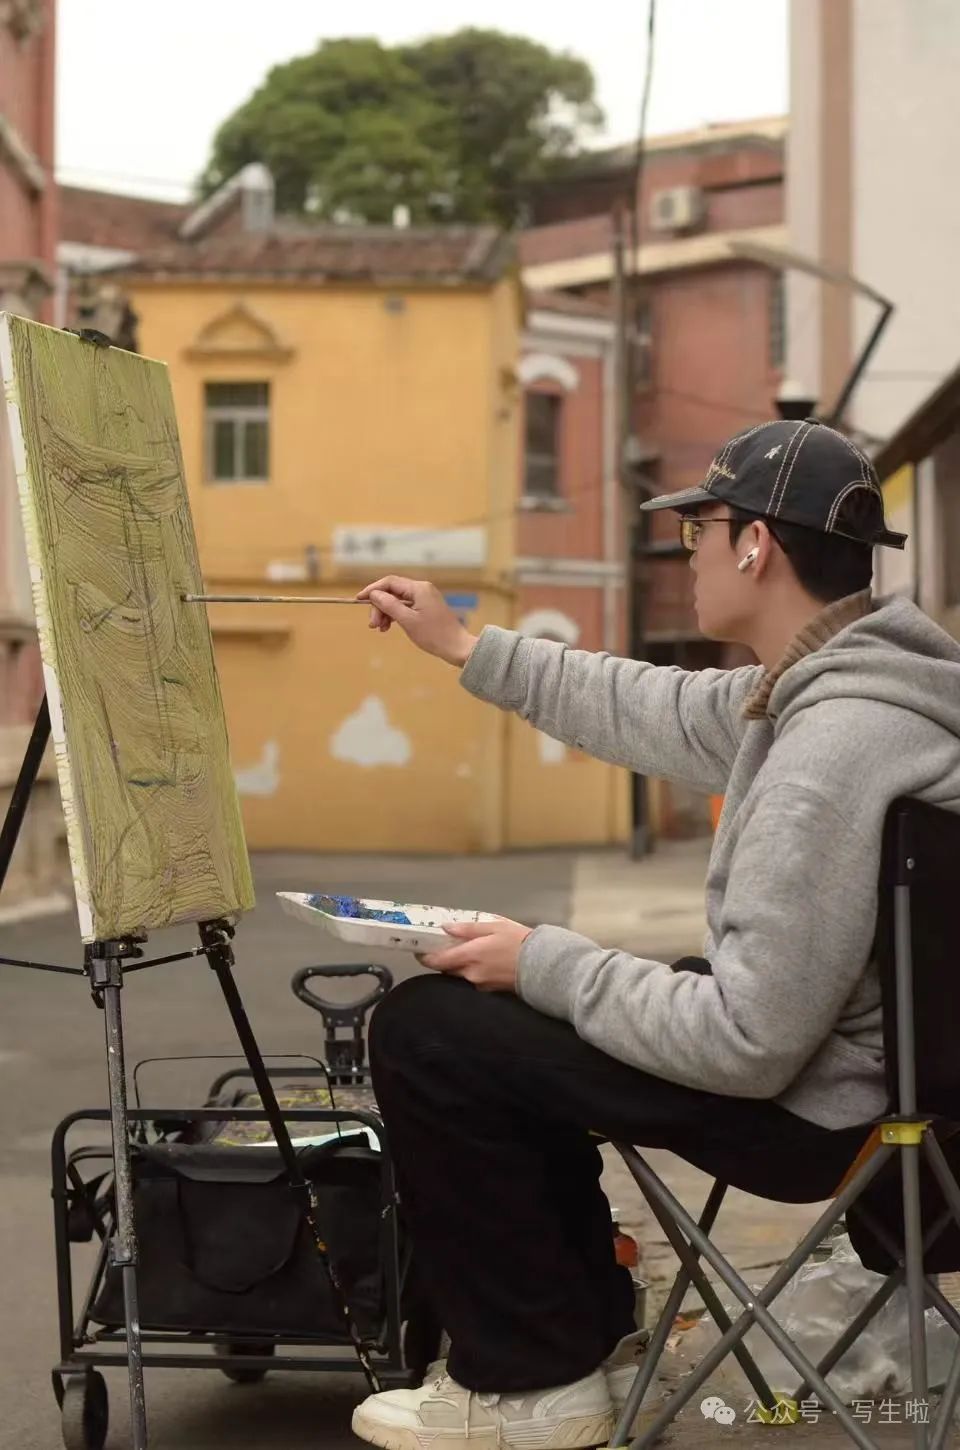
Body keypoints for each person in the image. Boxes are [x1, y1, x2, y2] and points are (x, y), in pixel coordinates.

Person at [348, 419, 960, 1450]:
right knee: (493, 1016)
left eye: (699, 534)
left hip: (814, 1111)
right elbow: (659, 706)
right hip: (857, 1078)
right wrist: (463, 645)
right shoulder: (852, 691)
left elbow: (746, 1042)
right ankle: (576, 1340)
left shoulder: (830, 749)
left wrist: (540, 957)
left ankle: (533, 1381)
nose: (690, 559)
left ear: (755, 544)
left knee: (430, 1032)